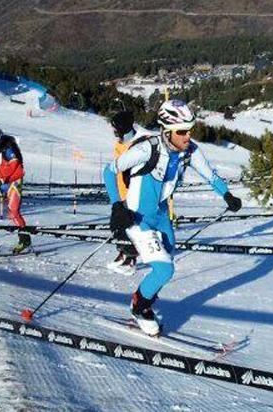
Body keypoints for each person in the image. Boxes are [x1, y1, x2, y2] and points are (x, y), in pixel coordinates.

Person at [103, 99, 242, 335]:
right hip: (138, 218)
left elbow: (210, 175)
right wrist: (117, 206)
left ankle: (141, 296)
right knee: (164, 270)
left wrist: (227, 195)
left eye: (189, 130)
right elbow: (109, 171)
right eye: (182, 131)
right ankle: (140, 307)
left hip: (160, 215)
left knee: (168, 257)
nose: (187, 136)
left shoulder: (190, 151)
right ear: (167, 131)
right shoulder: (148, 148)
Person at [106, 110, 140, 275]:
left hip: (131, 192)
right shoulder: (119, 144)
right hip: (120, 190)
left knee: (129, 226)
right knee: (118, 226)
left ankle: (131, 258)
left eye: (116, 128)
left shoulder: (135, 145)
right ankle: (122, 252)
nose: (113, 132)